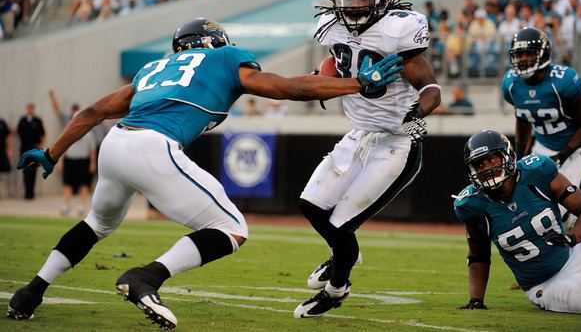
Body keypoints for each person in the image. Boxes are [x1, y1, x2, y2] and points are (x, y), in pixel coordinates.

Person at [7, 17, 402, 328]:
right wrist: (357, 84)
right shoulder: (226, 58)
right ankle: (147, 277)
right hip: (153, 147)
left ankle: (31, 292)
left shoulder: (152, 69)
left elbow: (91, 113)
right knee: (231, 228)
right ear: (214, 41)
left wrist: (51, 153)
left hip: (115, 145)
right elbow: (288, 88)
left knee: (95, 224)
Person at [294, 0, 441, 318]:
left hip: (395, 141)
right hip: (358, 134)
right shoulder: (331, 27)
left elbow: (432, 88)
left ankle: (336, 287)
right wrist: (324, 78)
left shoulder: (398, 30)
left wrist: (417, 114)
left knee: (342, 223)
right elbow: (336, 62)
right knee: (311, 206)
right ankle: (345, 255)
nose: (352, 6)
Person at [453, 130, 581, 313]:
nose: (486, 168)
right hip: (547, 284)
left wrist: (572, 238)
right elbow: (479, 255)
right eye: (479, 164)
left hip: (576, 255)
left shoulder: (537, 171)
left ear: (508, 156)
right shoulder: (472, 205)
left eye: (492, 160)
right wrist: (476, 300)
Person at [502, 27, 581, 228]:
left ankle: (575, 229)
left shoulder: (563, 81)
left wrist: (563, 154)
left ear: (542, 54)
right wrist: (519, 154)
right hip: (542, 146)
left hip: (573, 147)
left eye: (529, 53)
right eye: (519, 54)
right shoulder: (511, 84)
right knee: (532, 202)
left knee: (559, 209)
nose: (524, 59)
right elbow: (523, 118)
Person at [49, 90, 96, 216]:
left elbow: (92, 151)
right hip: (70, 160)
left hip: (83, 161)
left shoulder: (89, 133)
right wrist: (60, 161)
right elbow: (64, 147)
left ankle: (82, 206)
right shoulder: (68, 132)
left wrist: (92, 164)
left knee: (84, 184)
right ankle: (66, 206)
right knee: (67, 184)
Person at [17, 103, 45, 200]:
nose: (30, 110)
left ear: (34, 109)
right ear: (27, 109)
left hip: (34, 149)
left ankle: (32, 193)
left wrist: (41, 148)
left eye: (32, 108)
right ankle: (26, 193)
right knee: (25, 170)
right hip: (24, 149)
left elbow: (43, 134)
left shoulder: (37, 121)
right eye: (29, 108)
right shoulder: (23, 120)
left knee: (33, 170)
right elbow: (18, 132)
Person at [0, 117, 13, 199]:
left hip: (1, 151)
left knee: (3, 170)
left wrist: (10, 150)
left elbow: (9, 136)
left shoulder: (2, 122)